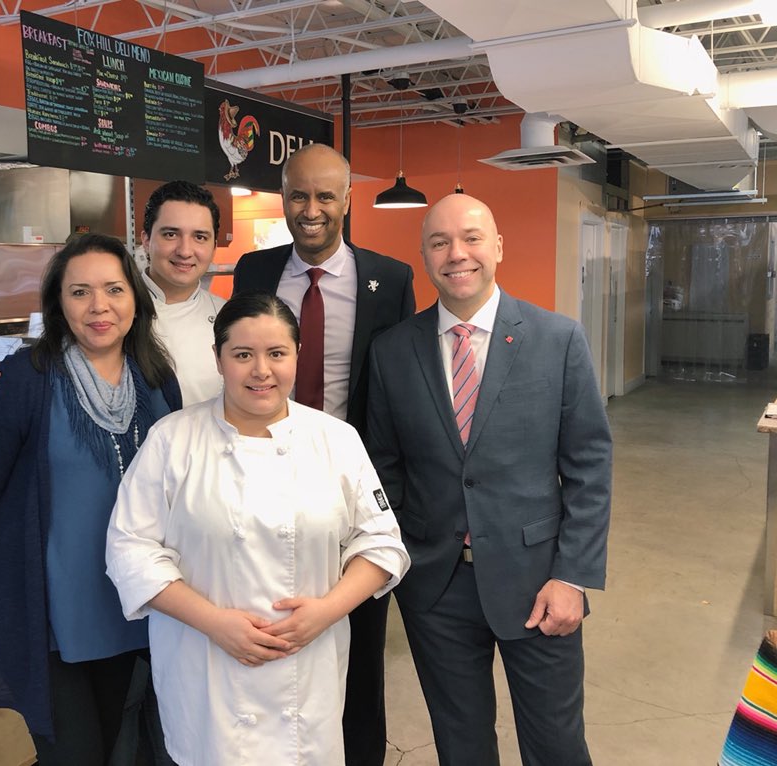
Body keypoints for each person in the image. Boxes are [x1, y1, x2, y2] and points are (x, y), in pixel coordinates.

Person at [105, 292, 410, 766]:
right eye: (243, 354)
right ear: (219, 359)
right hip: (207, 665)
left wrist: (326, 612)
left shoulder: (335, 439)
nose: (260, 370)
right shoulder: (173, 440)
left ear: (297, 356)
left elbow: (382, 543)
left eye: (276, 353)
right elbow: (130, 551)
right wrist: (215, 623)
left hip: (306, 668)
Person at [366, 193, 612, 765]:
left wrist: (572, 576)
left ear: (498, 246)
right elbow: (383, 468)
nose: (457, 254)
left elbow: (589, 466)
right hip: (437, 588)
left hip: (539, 584)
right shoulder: (393, 351)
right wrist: (406, 562)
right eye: (439, 241)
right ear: (424, 254)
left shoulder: (558, 339)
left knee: (556, 745)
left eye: (472, 237)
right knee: (461, 745)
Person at [0, 233, 181, 765]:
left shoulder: (158, 380)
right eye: (80, 292)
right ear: (58, 304)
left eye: (114, 290)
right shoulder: (21, 381)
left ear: (135, 300)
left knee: (125, 751)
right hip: (53, 621)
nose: (99, 307)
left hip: (138, 610)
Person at [231, 142, 414, 765]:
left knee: (359, 651)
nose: (311, 210)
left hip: (346, 491)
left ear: (348, 201)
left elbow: (402, 386)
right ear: (283, 199)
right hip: (261, 484)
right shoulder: (253, 273)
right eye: (298, 196)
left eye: (325, 196)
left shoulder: (390, 281)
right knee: (271, 633)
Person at [0, 180, 225, 407]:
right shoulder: (103, 311)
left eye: (200, 237)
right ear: (145, 240)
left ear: (214, 244)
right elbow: (45, 361)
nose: (185, 250)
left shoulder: (230, 317)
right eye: (170, 234)